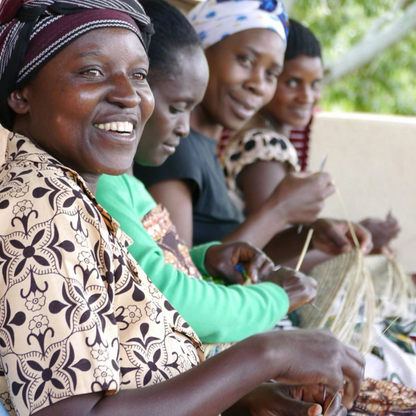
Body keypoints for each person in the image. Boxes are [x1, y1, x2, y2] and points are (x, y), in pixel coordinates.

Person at [0, 1, 364, 416]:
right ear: (20, 93)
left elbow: (124, 360)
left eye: (139, 75)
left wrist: (241, 398)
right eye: (92, 72)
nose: (128, 96)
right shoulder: (41, 206)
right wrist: (267, 353)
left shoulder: (73, 195)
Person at [96, 0, 317, 349]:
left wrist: (207, 258)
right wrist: (273, 298)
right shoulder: (105, 184)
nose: (183, 128)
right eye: (177, 108)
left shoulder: (125, 181)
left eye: (271, 73)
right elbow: (168, 296)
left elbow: (159, 261)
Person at [134, 0, 372, 266]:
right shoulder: (172, 149)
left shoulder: (203, 149)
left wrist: (309, 237)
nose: (258, 85)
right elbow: (180, 275)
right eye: (245, 60)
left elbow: (230, 255)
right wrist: (280, 209)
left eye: (271, 74)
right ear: (200, 52)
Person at [220, 19, 400, 257]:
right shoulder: (265, 147)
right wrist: (357, 241)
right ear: (268, 78)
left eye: (315, 84)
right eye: (293, 83)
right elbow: (270, 255)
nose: (307, 96)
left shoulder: (267, 141)